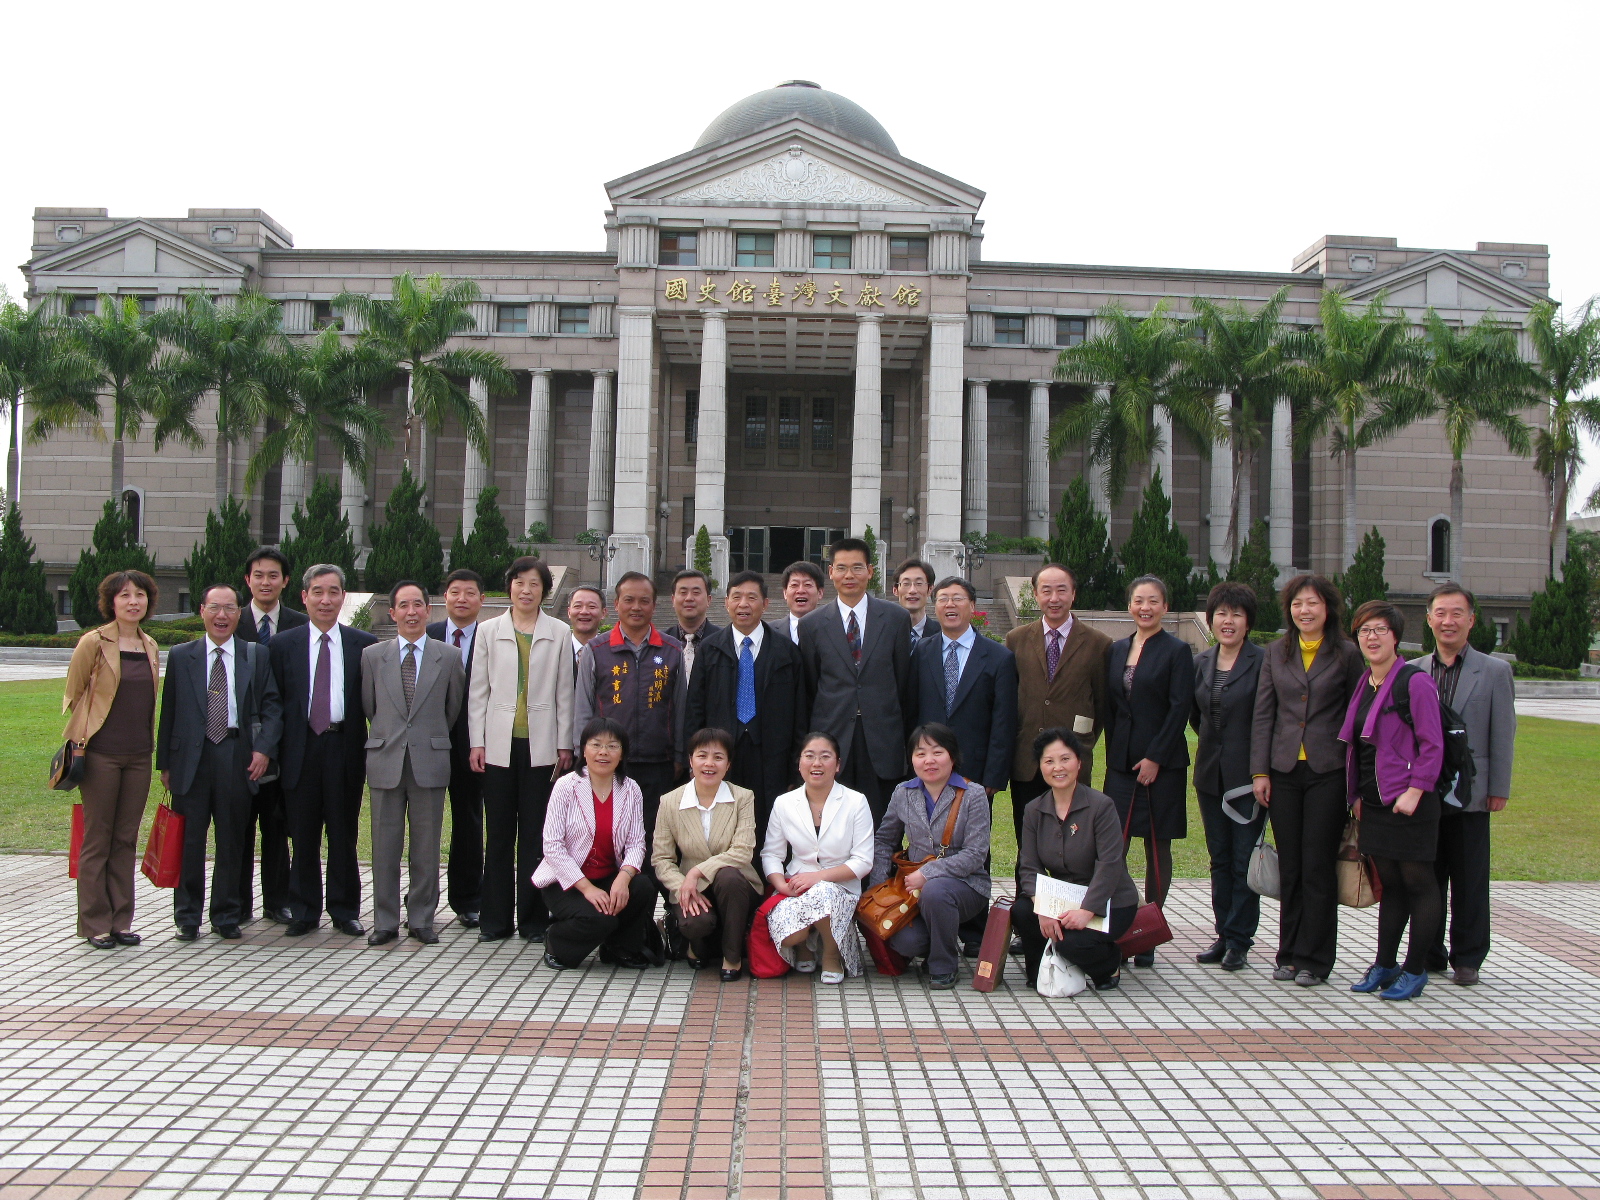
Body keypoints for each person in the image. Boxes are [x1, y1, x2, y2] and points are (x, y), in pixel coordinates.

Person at [1250, 573, 1365, 986]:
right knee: (1292, 866)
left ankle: (1316, 959)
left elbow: (1358, 719)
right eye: (1298, 604)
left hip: (1327, 772)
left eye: (1312, 603)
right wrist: (1260, 771)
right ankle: (1289, 954)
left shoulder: (1347, 655)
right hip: (1283, 772)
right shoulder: (1276, 653)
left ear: (1328, 608)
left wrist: (1356, 784)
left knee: (1318, 866)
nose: (1305, 611)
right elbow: (1264, 715)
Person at [157, 583, 282, 941]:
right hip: (190, 761)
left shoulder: (254, 655)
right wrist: (165, 762)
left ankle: (226, 914)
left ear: (239, 614)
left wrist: (263, 750)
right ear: (202, 611)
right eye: (215, 608)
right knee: (189, 841)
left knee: (231, 840)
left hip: (236, 755)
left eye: (230, 608)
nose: (222, 616)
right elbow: (170, 711)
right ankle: (187, 916)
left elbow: (273, 708)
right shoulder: (182, 656)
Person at [1341, 601, 1446, 1002]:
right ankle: (1385, 963)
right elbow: (1357, 745)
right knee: (1393, 885)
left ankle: (1415, 969)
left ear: (1396, 637)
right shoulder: (1366, 682)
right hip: (1375, 800)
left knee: (1419, 882)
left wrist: (1415, 791)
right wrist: (1355, 796)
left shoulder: (1414, 682)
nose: (1371, 637)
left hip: (1410, 800)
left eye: (1380, 629)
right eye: (1364, 630)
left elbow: (1432, 744)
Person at [468, 556, 575, 943]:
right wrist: (476, 742)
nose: (526, 590)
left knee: (535, 835)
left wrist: (566, 742)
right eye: (519, 582)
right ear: (509, 586)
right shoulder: (488, 631)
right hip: (497, 744)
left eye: (534, 584)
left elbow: (566, 690)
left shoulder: (559, 632)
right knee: (497, 834)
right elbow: (478, 691)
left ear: (544, 590)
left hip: (543, 747)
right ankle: (494, 920)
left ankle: (532, 920)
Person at [268, 564, 376, 937]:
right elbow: (274, 702)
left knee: (343, 832)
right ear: (304, 596)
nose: (325, 599)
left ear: (343, 596)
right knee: (303, 832)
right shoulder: (282, 645)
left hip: (344, 745)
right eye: (318, 592)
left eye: (333, 592)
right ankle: (304, 909)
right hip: (300, 749)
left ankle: (345, 910)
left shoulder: (363, 645)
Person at [1415, 584, 1515, 985]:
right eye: (1441, 613)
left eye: (1457, 613)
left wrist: (1499, 787)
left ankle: (1469, 956)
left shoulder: (1494, 672)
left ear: (1471, 620)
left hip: (1471, 791)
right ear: (1429, 619)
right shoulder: (1414, 671)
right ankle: (1430, 951)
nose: (1448, 621)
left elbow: (1503, 733)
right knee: (1427, 874)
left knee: (1470, 877)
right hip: (1425, 790)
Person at [362, 581, 467, 946]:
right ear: (392, 613)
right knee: (384, 847)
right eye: (403, 605)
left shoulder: (448, 657)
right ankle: (385, 921)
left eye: (418, 604)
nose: (411, 612)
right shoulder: (373, 656)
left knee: (426, 846)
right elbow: (370, 706)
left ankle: (422, 918)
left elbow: (452, 710)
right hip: (386, 760)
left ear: (428, 610)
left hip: (430, 760)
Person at [64, 570, 162, 948]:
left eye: (140, 595)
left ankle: (121, 920)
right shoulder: (94, 642)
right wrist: (80, 744)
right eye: (125, 595)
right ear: (112, 602)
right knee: (97, 839)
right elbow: (74, 694)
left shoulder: (150, 645)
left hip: (139, 755)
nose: (133, 601)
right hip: (101, 753)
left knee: (125, 839)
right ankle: (94, 924)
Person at [1102, 574, 1193, 968]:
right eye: (1139, 601)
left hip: (1163, 766)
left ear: (1165, 607)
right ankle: (1124, 920)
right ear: (1130, 606)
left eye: (1153, 601)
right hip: (1121, 765)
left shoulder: (1177, 651)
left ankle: (1149, 931)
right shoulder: (1117, 648)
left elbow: (1180, 708)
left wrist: (1156, 757)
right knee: (1112, 848)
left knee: (1157, 848)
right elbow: (1111, 704)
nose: (1145, 608)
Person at [1012, 729, 1141, 991]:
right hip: (1064, 896)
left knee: (1072, 943)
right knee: (1022, 911)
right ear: (1040, 766)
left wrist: (1087, 910)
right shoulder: (1034, 809)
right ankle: (1041, 969)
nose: (1057, 768)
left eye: (1065, 759)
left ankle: (1109, 963)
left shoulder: (1101, 806)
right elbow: (1028, 865)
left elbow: (1110, 864)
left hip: (1109, 901)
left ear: (1079, 763)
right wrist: (1043, 908)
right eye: (1049, 761)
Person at [796, 538, 914, 823]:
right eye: (842, 568)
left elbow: (903, 680)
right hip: (834, 736)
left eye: (857, 568)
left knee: (883, 824)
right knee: (834, 823)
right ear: (831, 572)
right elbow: (812, 684)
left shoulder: (896, 618)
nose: (849, 576)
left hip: (882, 737)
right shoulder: (811, 624)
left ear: (871, 572)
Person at [1005, 563, 1112, 874]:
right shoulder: (1016, 640)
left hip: (1072, 762)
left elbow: (1102, 705)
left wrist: (1082, 742)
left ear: (1074, 594)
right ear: (1036, 595)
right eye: (1046, 591)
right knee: (1027, 843)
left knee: (1076, 845)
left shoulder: (1098, 644)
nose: (1054, 598)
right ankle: (1029, 914)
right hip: (1026, 761)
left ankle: (1073, 914)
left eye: (1061, 590)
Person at [573, 571, 687, 860]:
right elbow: (583, 706)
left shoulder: (673, 650)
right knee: (609, 835)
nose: (636, 607)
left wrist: (678, 755)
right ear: (616, 604)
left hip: (657, 761)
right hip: (608, 762)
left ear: (654, 605)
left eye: (644, 601)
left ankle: (651, 900)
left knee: (653, 837)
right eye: (629, 600)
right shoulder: (596, 650)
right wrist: (582, 754)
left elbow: (680, 706)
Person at [686, 570, 805, 843]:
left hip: (772, 753)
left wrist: (794, 764)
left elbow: (800, 713)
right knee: (722, 823)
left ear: (765, 604)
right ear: (726, 602)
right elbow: (695, 708)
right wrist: (694, 757)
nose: (743, 604)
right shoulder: (710, 649)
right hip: (722, 753)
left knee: (769, 825)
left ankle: (768, 881)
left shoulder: (786, 651)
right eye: (736, 597)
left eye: (752, 597)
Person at [870, 724, 992, 989]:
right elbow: (884, 841)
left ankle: (944, 965)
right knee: (906, 943)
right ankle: (937, 941)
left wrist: (928, 873)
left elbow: (975, 854)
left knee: (936, 892)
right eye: (920, 753)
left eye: (937, 752)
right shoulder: (903, 792)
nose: (929, 760)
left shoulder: (974, 795)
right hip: (912, 889)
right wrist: (877, 887)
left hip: (967, 885)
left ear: (953, 756)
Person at [533, 717, 657, 969]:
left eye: (613, 746)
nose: (604, 752)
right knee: (602, 920)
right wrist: (587, 889)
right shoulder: (565, 786)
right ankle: (556, 940)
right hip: (566, 882)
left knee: (642, 886)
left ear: (622, 754)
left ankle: (619, 948)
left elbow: (636, 843)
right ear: (583, 750)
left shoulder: (631, 789)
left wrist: (624, 877)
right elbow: (553, 847)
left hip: (608, 875)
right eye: (596, 745)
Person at [1190, 582, 1266, 971]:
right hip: (1209, 775)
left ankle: (1239, 939)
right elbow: (1196, 716)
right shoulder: (1202, 662)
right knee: (1219, 859)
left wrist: (1261, 770)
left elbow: (1269, 719)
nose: (1228, 620)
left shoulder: (1263, 662)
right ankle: (1223, 933)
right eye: (1222, 613)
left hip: (1247, 779)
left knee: (1243, 859)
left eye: (1236, 614)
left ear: (1248, 621)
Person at [761, 732, 875, 982]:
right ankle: (804, 945)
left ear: (838, 765)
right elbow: (771, 853)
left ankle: (831, 957)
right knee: (791, 935)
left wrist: (819, 878)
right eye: (809, 756)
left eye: (825, 757)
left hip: (840, 886)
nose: (817, 763)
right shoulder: (784, 803)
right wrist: (781, 884)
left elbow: (864, 861)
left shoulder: (856, 802)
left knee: (825, 892)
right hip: (795, 886)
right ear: (799, 763)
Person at [652, 727, 762, 980]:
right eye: (702, 756)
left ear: (728, 764)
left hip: (736, 885)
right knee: (696, 923)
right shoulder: (670, 801)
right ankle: (695, 948)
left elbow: (742, 851)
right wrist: (683, 885)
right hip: (690, 887)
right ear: (691, 760)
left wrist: (698, 871)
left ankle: (732, 958)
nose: (709, 764)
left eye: (718, 757)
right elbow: (662, 859)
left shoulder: (743, 797)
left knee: (729, 877)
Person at [236, 546, 305, 925]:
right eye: (258, 575)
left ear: (286, 582)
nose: (266, 582)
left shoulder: (298, 623)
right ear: (248, 580)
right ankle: (239, 901)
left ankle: (278, 900)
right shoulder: (232, 620)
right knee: (240, 825)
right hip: (239, 744)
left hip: (287, 744)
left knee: (278, 825)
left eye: (273, 576)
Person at [425, 568, 486, 929]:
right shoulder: (428, 635)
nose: (461, 599)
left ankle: (468, 899)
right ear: (443, 597)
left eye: (470, 593)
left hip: (473, 747)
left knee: (468, 821)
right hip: (429, 744)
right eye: (454, 592)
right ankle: (420, 898)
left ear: (482, 600)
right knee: (424, 823)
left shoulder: (493, 638)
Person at [663, 568, 716, 681]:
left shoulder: (724, 642)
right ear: (673, 600)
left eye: (696, 593)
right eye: (683, 593)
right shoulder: (660, 643)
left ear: (708, 600)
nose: (689, 598)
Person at [891, 557, 938, 646]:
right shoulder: (883, 634)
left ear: (930, 589)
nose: (912, 590)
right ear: (895, 590)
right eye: (906, 584)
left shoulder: (942, 635)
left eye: (919, 584)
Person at [780, 560, 826, 644]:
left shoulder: (832, 630)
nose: (800, 591)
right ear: (785, 593)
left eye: (807, 585)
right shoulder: (768, 632)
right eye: (794, 585)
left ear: (820, 592)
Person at [567, 583, 606, 665]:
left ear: (603, 613)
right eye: (578, 606)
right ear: (569, 612)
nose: (584, 611)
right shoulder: (556, 650)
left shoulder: (611, 651)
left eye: (592, 607)